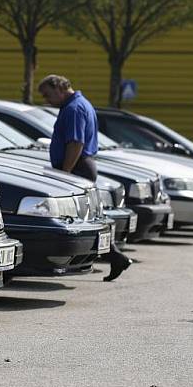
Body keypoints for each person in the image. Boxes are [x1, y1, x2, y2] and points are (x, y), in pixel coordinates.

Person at [37, 74, 132, 282]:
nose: (47, 100)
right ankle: (115, 257)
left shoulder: (73, 108)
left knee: (85, 219)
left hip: (78, 168)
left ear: (59, 88)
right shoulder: (79, 104)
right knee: (89, 217)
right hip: (81, 166)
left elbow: (75, 143)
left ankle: (115, 256)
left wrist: (66, 172)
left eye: (48, 94)